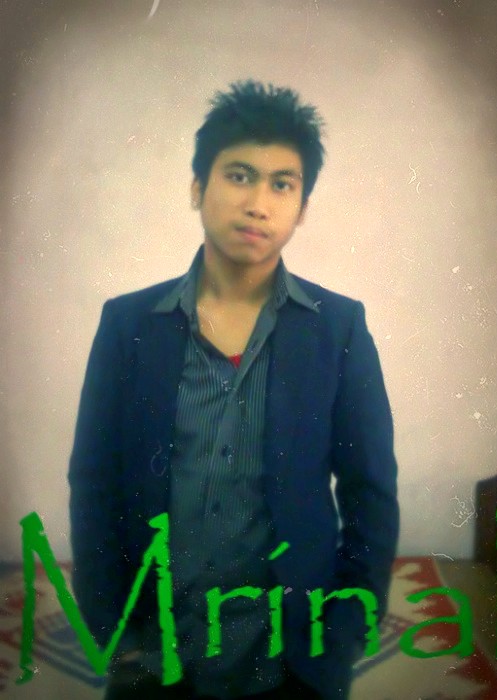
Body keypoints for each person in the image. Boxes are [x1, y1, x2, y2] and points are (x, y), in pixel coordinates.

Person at [68, 80, 399, 700]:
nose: (258, 203)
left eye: (282, 184)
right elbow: (94, 483)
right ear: (198, 187)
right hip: (155, 655)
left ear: (302, 207)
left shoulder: (339, 328)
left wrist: (342, 639)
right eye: (239, 175)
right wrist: (115, 634)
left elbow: (371, 493)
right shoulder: (128, 323)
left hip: (292, 659)